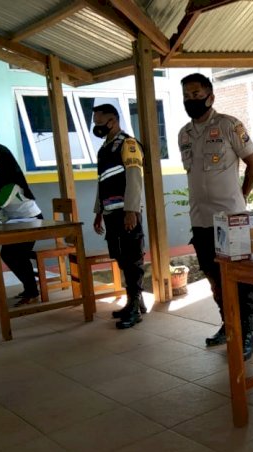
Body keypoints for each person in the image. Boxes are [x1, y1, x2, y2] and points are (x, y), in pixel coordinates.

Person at [178, 73, 253, 359]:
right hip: (200, 220)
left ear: (210, 96)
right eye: (187, 96)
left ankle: (247, 333)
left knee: (239, 280)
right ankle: (228, 325)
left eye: (196, 94)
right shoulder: (184, 135)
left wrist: (243, 195)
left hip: (231, 219)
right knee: (214, 279)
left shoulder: (229, 126)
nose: (192, 100)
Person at [91, 103, 147, 329]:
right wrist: (98, 212)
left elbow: (134, 178)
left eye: (99, 123)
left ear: (112, 121)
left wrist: (131, 211)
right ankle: (135, 301)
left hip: (126, 214)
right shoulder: (105, 149)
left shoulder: (128, 144)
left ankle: (134, 308)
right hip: (110, 213)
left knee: (133, 259)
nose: (97, 127)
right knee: (122, 258)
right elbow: (102, 182)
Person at [0, 143, 43, 307]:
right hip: (17, 222)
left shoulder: (12, 180)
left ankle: (33, 292)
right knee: (10, 254)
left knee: (14, 255)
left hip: (31, 220)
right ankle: (30, 289)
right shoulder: (0, 176)